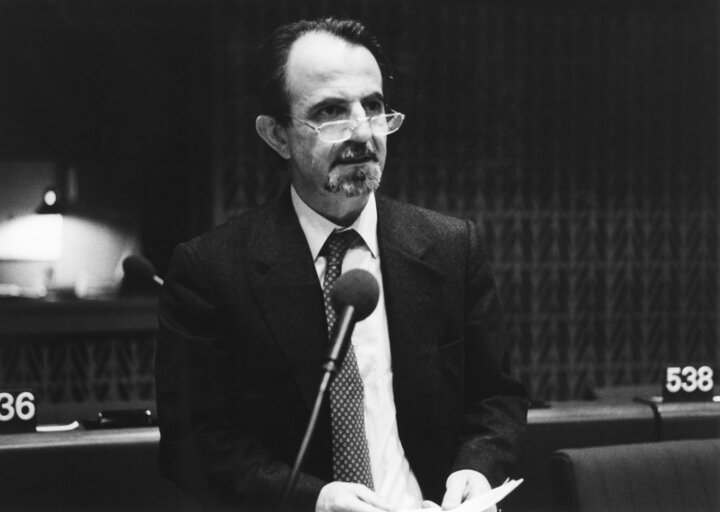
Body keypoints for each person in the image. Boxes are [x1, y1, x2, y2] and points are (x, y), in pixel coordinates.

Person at [156, 17, 527, 512]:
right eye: (331, 111)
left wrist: (475, 469)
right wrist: (318, 500)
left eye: (373, 108)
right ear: (277, 135)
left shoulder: (450, 247)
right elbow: (193, 444)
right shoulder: (210, 270)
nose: (361, 132)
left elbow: (495, 398)